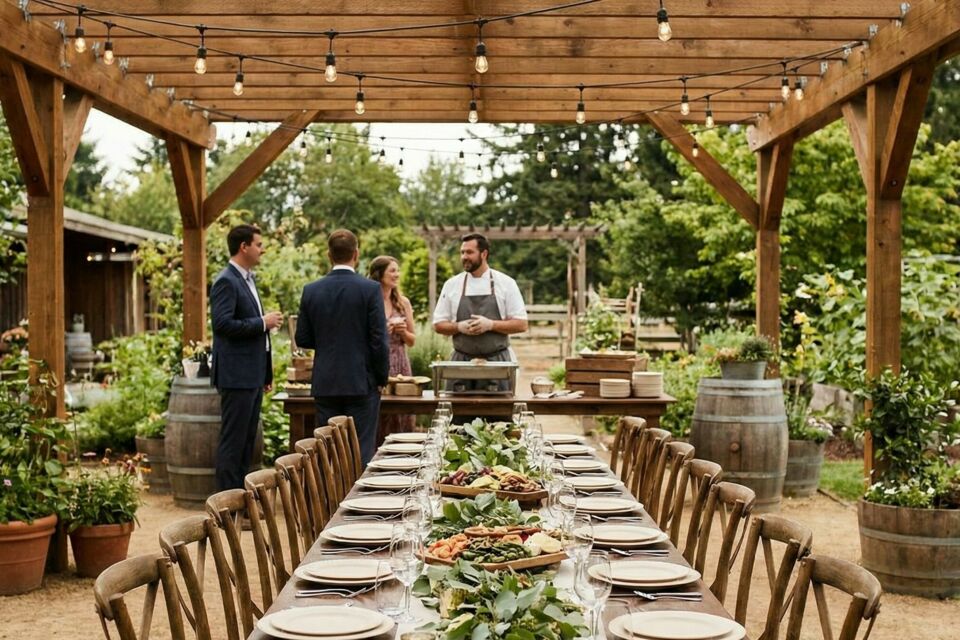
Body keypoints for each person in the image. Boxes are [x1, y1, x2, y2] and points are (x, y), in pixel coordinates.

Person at [296, 229, 390, 465]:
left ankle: (329, 491)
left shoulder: (311, 290)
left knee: (328, 452)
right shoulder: (370, 289)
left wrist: (328, 341)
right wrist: (381, 377)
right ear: (356, 254)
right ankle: (358, 491)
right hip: (361, 382)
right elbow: (379, 340)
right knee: (360, 449)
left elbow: (303, 338)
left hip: (326, 381)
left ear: (329, 255)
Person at [210, 224, 283, 491]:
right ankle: (226, 506)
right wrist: (263, 322)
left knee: (246, 443)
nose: (262, 250)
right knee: (233, 443)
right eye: (258, 244)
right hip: (236, 376)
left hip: (251, 375)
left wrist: (265, 373)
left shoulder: (247, 279)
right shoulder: (226, 281)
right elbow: (222, 324)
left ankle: (239, 501)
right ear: (244, 247)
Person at [432, 233, 528, 391]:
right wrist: (458, 327)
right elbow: (438, 325)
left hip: (497, 363)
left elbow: (522, 324)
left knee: (498, 407)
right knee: (456, 407)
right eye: (462, 252)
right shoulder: (452, 285)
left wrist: (490, 325)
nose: (464, 257)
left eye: (469, 252)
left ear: (484, 254)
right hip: (460, 364)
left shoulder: (506, 283)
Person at [367, 255, 417, 444]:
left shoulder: (403, 303)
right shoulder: (369, 301)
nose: (397, 274)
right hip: (377, 362)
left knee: (402, 414)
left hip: (400, 365)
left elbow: (412, 341)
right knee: (379, 414)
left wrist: (403, 332)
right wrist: (382, 332)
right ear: (379, 274)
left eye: (398, 270)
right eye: (392, 271)